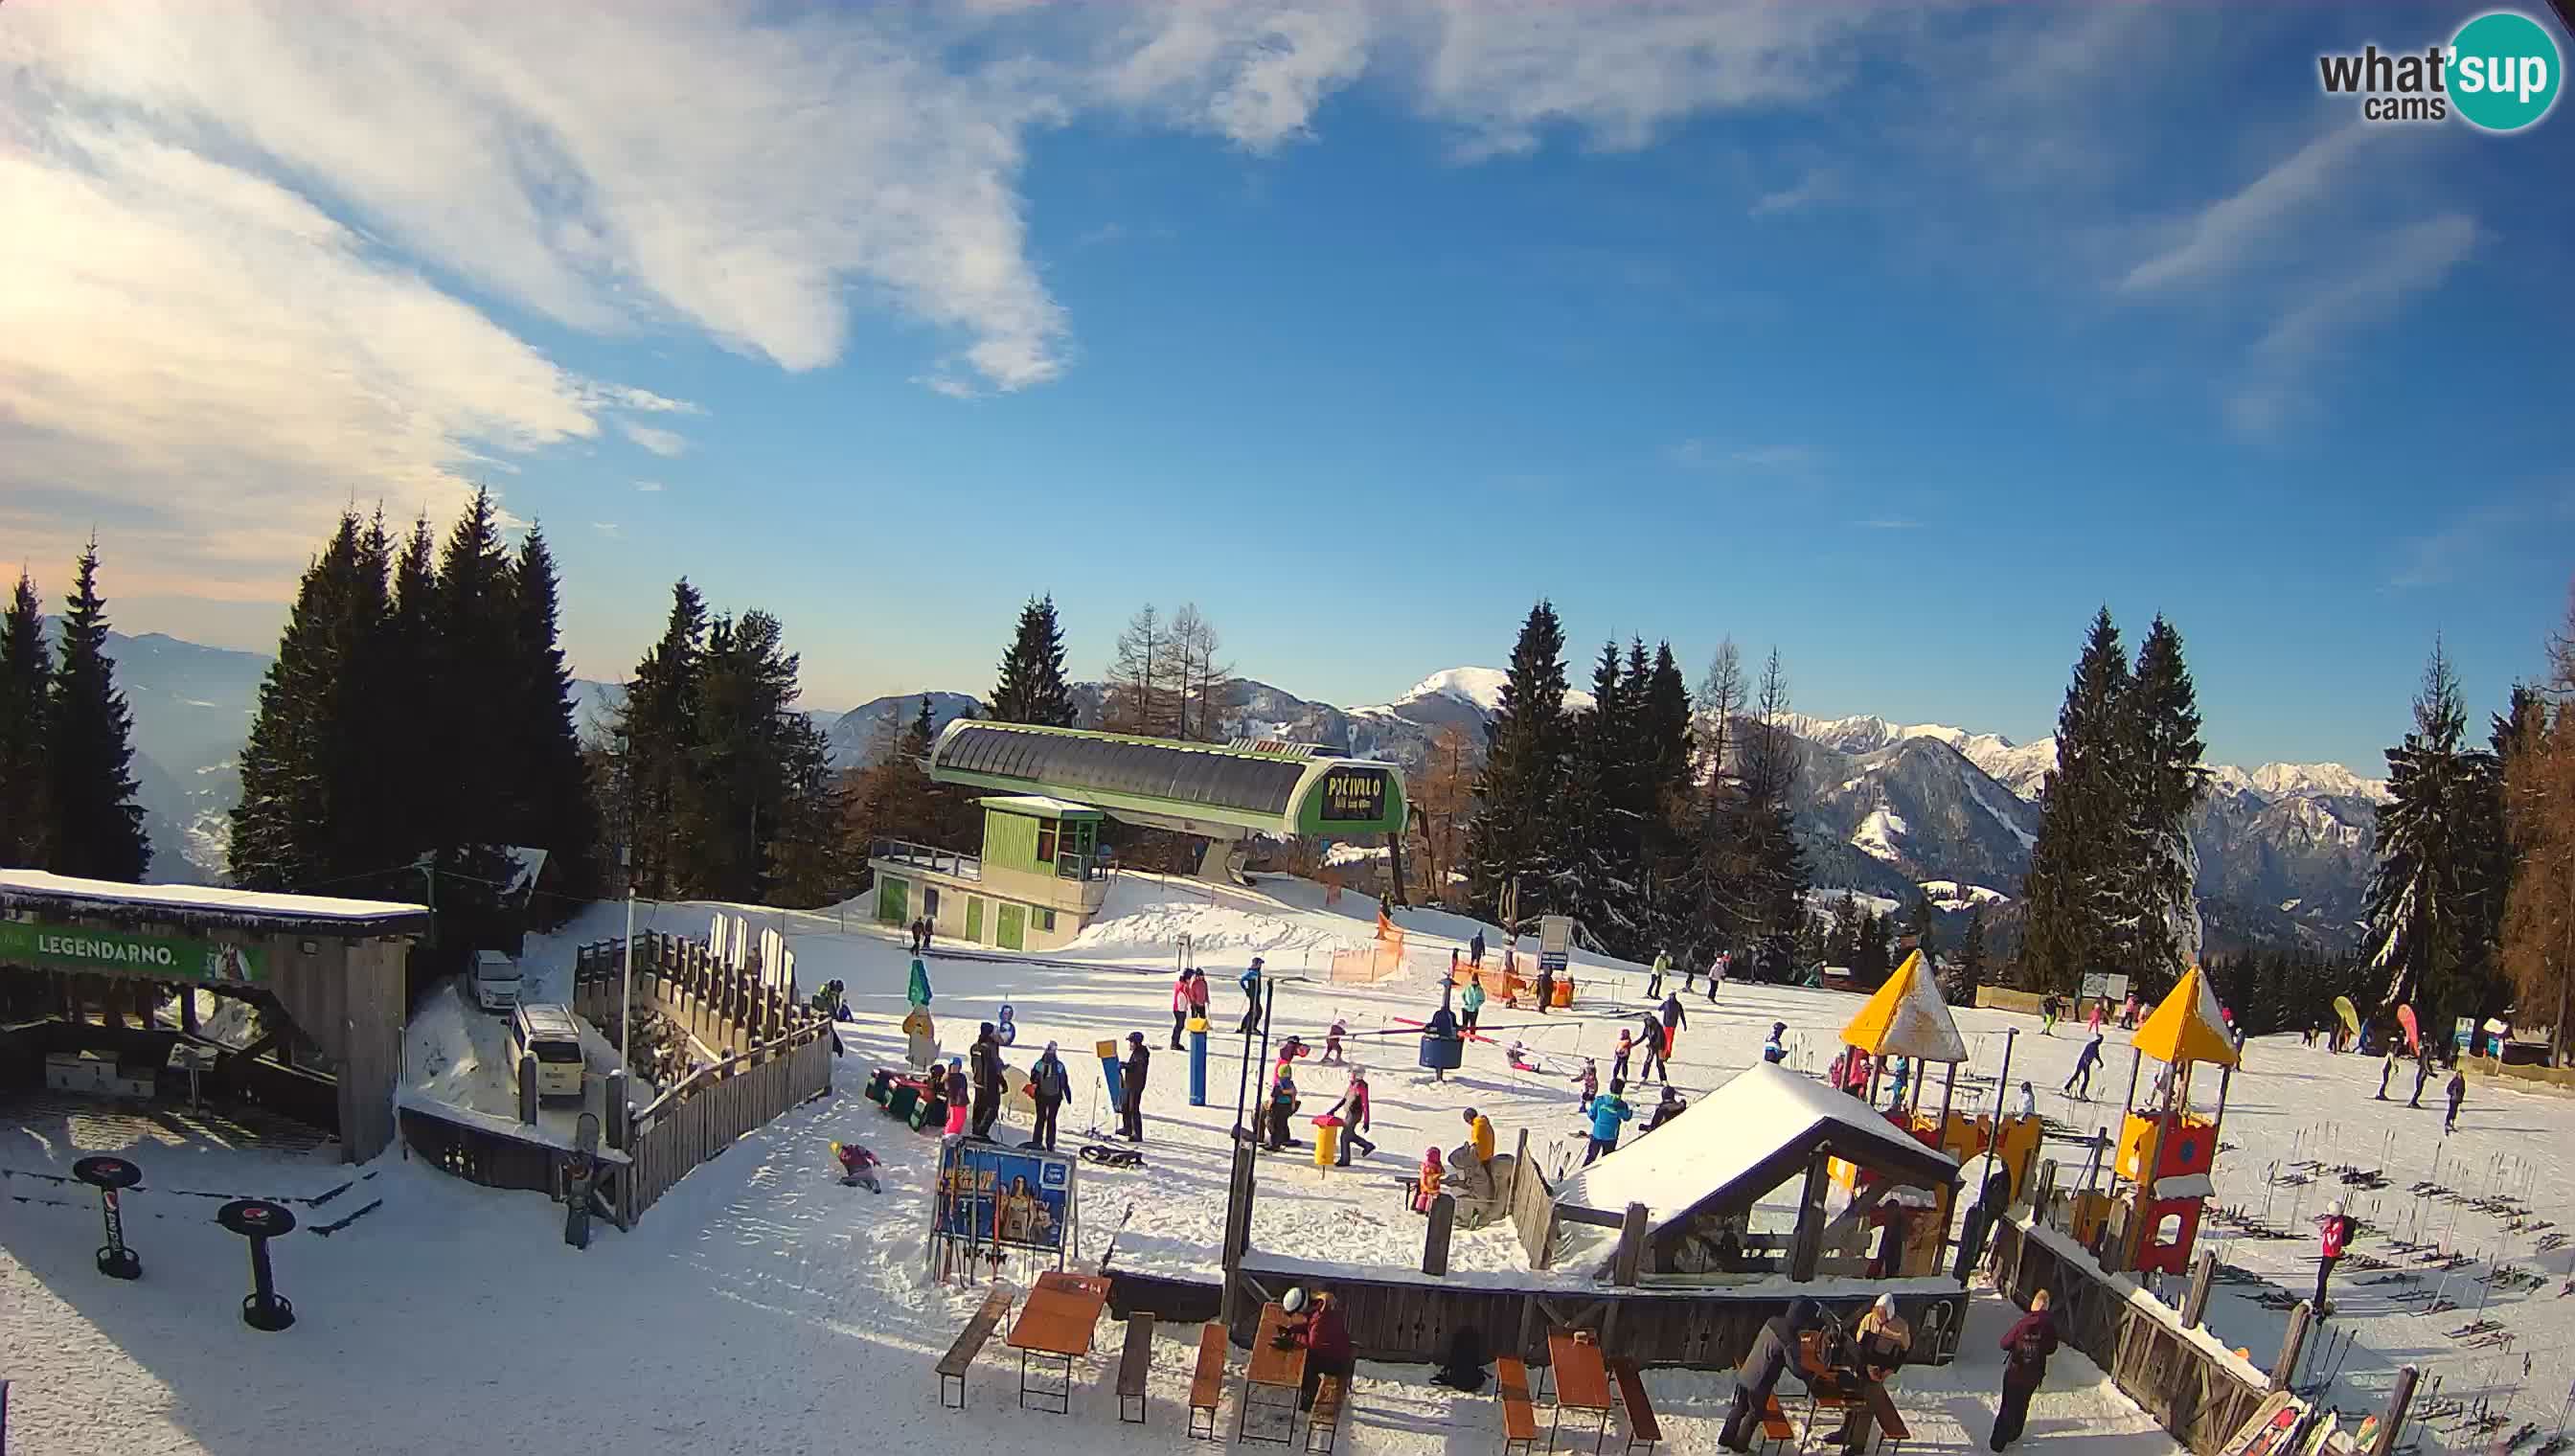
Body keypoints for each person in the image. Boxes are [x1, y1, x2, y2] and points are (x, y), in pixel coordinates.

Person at [1719, 1298, 1817, 1451]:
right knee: (1755, 1414)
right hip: (1760, 1382)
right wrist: (1811, 1376)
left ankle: (1725, 1439)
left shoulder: (1773, 1321)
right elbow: (1796, 1368)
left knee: (1739, 1407)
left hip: (1747, 1371)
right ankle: (1740, 1447)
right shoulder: (1789, 1338)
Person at [1840, 1294, 1911, 1454]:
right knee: (1852, 1399)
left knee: (1866, 1408)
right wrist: (1864, 1366)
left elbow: (1904, 1351)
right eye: (1877, 1312)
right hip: (1862, 1366)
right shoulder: (1868, 1319)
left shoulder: (1900, 1327)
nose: (1879, 1317)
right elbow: (1857, 1345)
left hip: (1878, 1371)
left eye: (1882, 1313)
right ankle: (1846, 1431)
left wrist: (1889, 1370)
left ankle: (1857, 1447)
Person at [1990, 1290, 2059, 1451]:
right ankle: (2015, 1433)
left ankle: (1997, 1442)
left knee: (2008, 1405)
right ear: (2046, 1307)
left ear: (2034, 1304)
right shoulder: (2049, 1327)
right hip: (2034, 1373)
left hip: (2015, 1370)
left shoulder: (2023, 1323)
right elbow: (2051, 1348)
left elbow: (2004, 1343)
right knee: (2023, 1403)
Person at [1287, 1289, 1355, 1410]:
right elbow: (1311, 1328)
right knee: (1305, 1359)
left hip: (1338, 1361)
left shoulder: (1321, 1317)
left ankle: (1309, 1400)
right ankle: (1309, 1392)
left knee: (1305, 1364)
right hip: (1336, 1350)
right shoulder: (1319, 1308)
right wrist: (1293, 1329)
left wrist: (1293, 1338)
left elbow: (1313, 1344)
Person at [1027, 1041, 1070, 1150]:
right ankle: (1050, 1144)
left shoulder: (1039, 1064)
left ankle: (1036, 1142)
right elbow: (1064, 1081)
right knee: (1052, 1119)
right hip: (1055, 1097)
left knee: (1040, 1118)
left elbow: (1033, 1078)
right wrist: (1067, 1095)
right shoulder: (1059, 1066)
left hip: (1041, 1095)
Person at [1330, 1068, 1377, 1164]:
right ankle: (1367, 1145)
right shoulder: (1352, 1085)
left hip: (1355, 1114)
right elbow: (1344, 1099)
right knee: (1349, 1135)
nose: (1351, 1076)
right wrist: (1333, 1110)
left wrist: (1366, 1121)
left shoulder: (1361, 1086)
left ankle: (1345, 1160)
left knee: (1344, 1136)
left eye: (1353, 1074)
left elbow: (1365, 1104)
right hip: (1349, 1113)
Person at [2314, 1200, 2354, 1314]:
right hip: (2327, 1252)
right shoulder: (2334, 1220)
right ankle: (2318, 1303)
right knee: (2321, 1278)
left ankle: (2319, 1305)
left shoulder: (2338, 1224)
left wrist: (2327, 1230)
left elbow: (2333, 1240)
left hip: (2331, 1254)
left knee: (2322, 1279)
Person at [968, 1023, 1005, 1139]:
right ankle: (981, 1133)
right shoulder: (990, 1047)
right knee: (992, 1108)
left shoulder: (975, 1047)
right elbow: (994, 1067)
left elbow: (973, 1064)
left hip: (978, 1082)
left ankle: (975, 1131)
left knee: (978, 1108)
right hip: (989, 1084)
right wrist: (1002, 1081)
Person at [1584, 1079, 1633, 1164]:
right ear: (1621, 1091)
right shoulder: (1621, 1104)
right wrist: (1631, 1111)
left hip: (1597, 1133)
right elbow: (1626, 1117)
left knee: (1591, 1157)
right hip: (1611, 1136)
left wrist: (1597, 1121)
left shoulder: (1600, 1100)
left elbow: (1591, 1115)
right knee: (1606, 1160)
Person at [1120, 1032, 1151, 1141]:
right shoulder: (1136, 1052)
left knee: (1133, 1108)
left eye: (1131, 1042)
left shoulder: (1142, 1053)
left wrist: (1125, 1066)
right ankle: (1127, 1128)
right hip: (1130, 1083)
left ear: (1136, 1043)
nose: (1130, 1044)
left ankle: (1137, 1134)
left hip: (1136, 1085)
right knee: (1125, 1106)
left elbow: (1137, 1067)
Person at [1267, 1064, 1300, 1151]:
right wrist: (1293, 1104)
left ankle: (1275, 1144)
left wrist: (1269, 1106)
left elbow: (1273, 1096)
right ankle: (1285, 1139)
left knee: (1276, 1126)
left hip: (1278, 1107)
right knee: (1283, 1123)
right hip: (1288, 1106)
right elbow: (1294, 1093)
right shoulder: (1290, 1083)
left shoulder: (1278, 1084)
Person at [1656, 992, 1689, 1072]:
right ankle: (1665, 1054)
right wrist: (1684, 1024)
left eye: (1672, 996)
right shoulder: (1676, 1004)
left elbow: (1659, 1009)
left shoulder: (1668, 1003)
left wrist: (1684, 1024)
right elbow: (1682, 1015)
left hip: (1669, 1025)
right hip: (1670, 1025)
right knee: (1668, 1041)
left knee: (1666, 1041)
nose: (1671, 997)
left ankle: (1665, 1055)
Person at [2064, 1033, 2104, 1098]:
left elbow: (2097, 1055)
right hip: (2083, 1063)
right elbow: (2088, 1055)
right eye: (2100, 1040)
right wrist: (2087, 1061)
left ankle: (2068, 1088)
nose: (2100, 1042)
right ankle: (2077, 1091)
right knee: (2081, 1077)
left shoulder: (2095, 1046)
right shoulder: (2092, 1045)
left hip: (2085, 1063)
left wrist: (2101, 1063)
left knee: (2081, 1077)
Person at [1413, 1147, 1446, 1213]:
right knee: (1431, 1197)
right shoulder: (1435, 1166)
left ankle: (1419, 1207)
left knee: (1423, 1195)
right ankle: (1428, 1210)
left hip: (1423, 1183)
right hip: (1432, 1184)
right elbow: (1441, 1173)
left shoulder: (1424, 1164)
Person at [944, 1057, 970, 1137]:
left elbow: (964, 1088)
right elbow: (948, 1089)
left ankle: (955, 1135)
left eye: (956, 1067)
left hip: (962, 1102)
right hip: (954, 1103)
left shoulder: (962, 1077)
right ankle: (949, 1135)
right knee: (954, 1121)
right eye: (953, 1067)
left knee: (961, 1120)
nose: (954, 1069)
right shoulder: (948, 1077)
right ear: (950, 1067)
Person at [1171, 968, 1197, 1049]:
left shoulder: (1178, 983)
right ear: (1187, 978)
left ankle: (1174, 1043)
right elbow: (1189, 998)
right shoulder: (1184, 986)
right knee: (1179, 1026)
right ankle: (1174, 1044)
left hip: (1177, 1008)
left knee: (1179, 1026)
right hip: (1180, 1010)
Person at [1239, 957, 1265, 1035]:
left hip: (1257, 995)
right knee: (1255, 1010)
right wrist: (1246, 989)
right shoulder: (1252, 972)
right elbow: (1242, 980)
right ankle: (1247, 1027)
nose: (1260, 966)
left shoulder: (1257, 972)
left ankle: (1250, 1027)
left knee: (1256, 1011)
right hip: (1253, 995)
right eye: (1259, 964)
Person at [2445, 1068, 2467, 1133]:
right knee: (2451, 1111)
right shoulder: (2455, 1080)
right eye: (2459, 1074)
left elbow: (2463, 1091)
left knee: (2454, 1112)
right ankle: (2447, 1122)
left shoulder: (2462, 1081)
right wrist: (2453, 1092)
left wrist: (2461, 1100)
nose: (2460, 1075)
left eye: (2461, 1074)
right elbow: (2448, 1089)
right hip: (2453, 1099)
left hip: (2458, 1099)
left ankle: (2452, 1123)